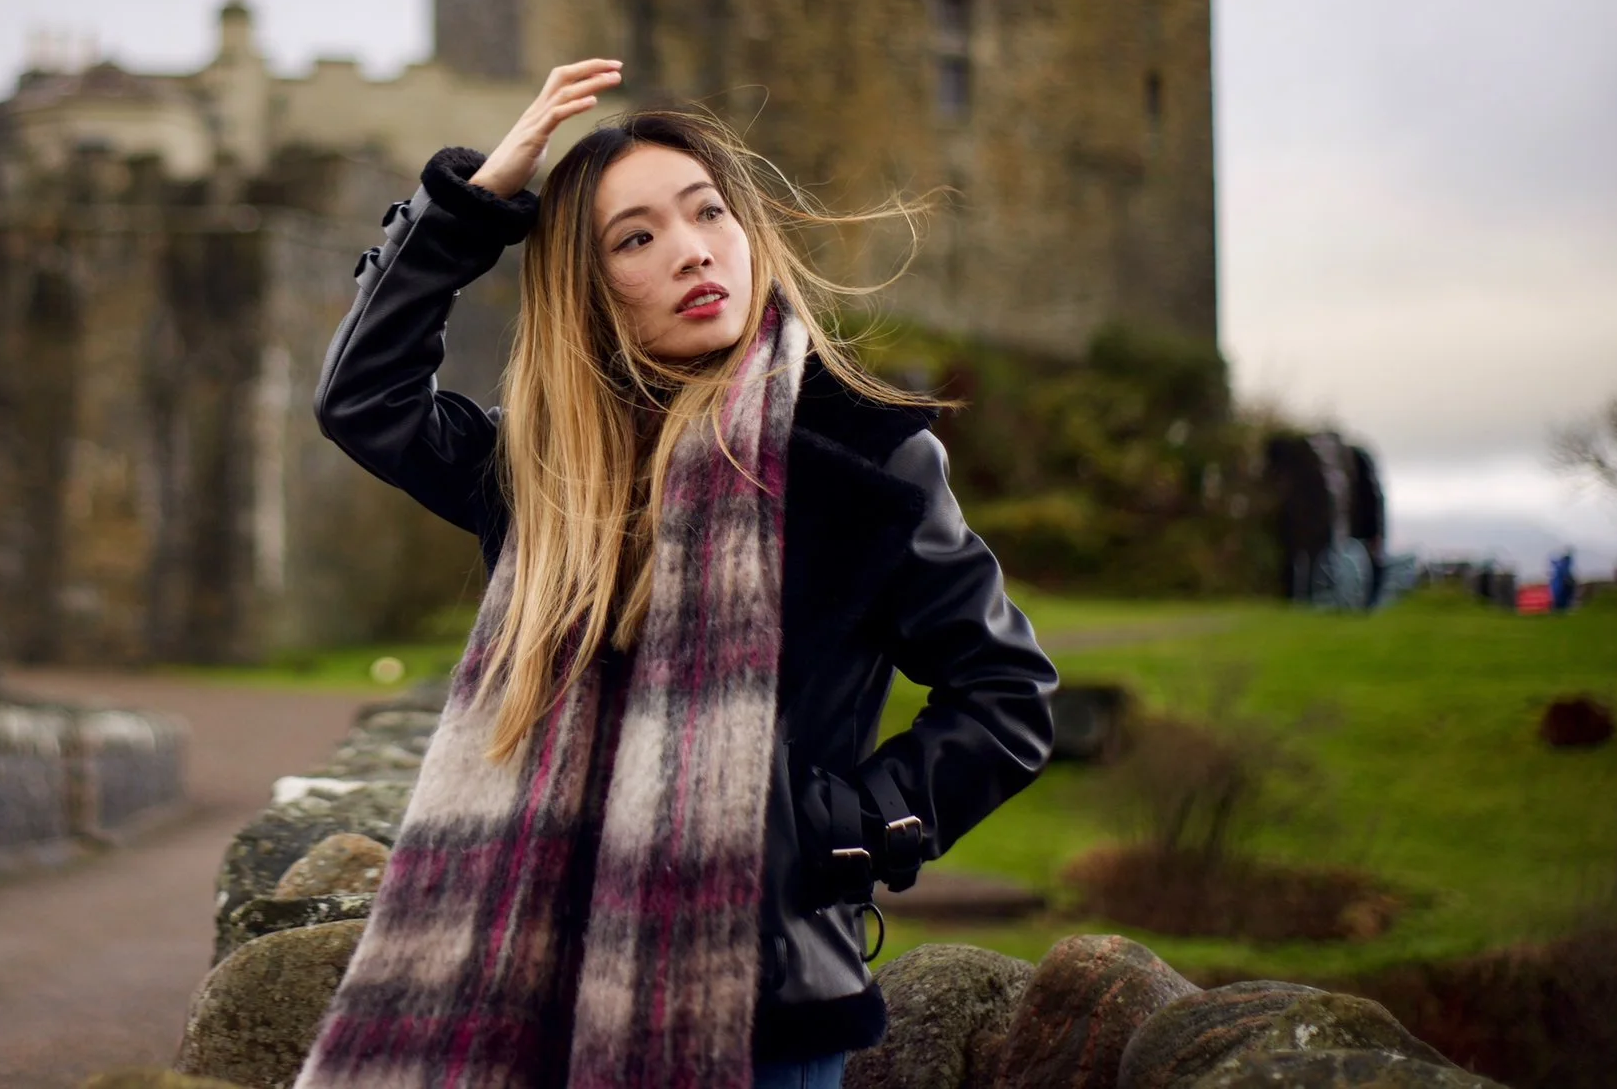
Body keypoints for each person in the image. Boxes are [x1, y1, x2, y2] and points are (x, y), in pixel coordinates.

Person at [302, 64, 1058, 1089]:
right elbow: (364, 398)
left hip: (764, 1014)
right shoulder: (552, 472)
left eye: (707, 213)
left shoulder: (863, 458)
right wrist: (472, 207)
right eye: (636, 237)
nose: (692, 249)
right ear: (589, 286)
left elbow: (1005, 697)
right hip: (526, 988)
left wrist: (833, 833)